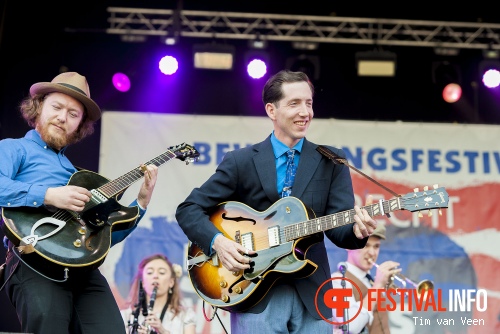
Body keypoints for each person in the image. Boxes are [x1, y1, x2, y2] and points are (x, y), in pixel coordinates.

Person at [175, 69, 378, 334]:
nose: (305, 112)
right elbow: (189, 209)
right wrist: (219, 243)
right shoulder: (242, 161)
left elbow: (339, 230)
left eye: (308, 103)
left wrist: (356, 231)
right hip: (254, 293)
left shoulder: (332, 160)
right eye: (294, 104)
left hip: (313, 295)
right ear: (272, 110)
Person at [0, 72, 159, 334]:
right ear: (39, 106)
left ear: (80, 125)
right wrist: (48, 195)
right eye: (57, 107)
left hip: (82, 271)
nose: (63, 118)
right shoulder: (13, 149)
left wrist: (140, 204)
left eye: (74, 114)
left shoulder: (76, 174)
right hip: (33, 263)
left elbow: (101, 237)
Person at [331, 223, 401, 334]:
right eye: (365, 245)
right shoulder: (337, 281)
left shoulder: (371, 280)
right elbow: (351, 326)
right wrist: (377, 286)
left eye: (376, 246)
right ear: (348, 246)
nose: (372, 253)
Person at [120, 253, 196, 334]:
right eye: (150, 272)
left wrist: (162, 331)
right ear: (143, 282)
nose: (155, 276)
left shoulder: (185, 315)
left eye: (162, 272)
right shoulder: (127, 315)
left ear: (171, 282)